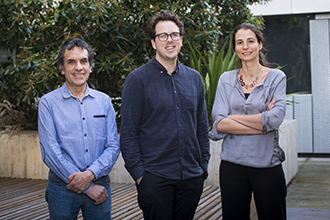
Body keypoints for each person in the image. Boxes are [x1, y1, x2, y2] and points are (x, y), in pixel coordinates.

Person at [120, 11, 210, 220]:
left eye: (174, 35)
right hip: (154, 178)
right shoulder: (137, 80)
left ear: (180, 39)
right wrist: (141, 176)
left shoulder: (194, 78)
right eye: (163, 36)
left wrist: (202, 167)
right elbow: (128, 133)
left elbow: (201, 127)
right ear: (153, 42)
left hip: (191, 177)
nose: (169, 40)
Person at [209, 23, 287, 220]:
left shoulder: (276, 78)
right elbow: (218, 123)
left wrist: (233, 118)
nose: (245, 47)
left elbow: (275, 120)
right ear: (235, 48)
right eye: (239, 42)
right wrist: (262, 123)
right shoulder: (226, 80)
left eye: (250, 41)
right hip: (232, 167)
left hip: (267, 167)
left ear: (260, 44)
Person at [38, 38, 120, 220]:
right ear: (62, 68)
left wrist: (91, 174)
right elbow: (50, 151)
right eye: (71, 62)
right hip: (62, 187)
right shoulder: (47, 103)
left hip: (100, 183)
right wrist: (88, 186)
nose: (78, 67)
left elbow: (113, 146)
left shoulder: (104, 101)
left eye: (83, 61)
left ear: (91, 67)